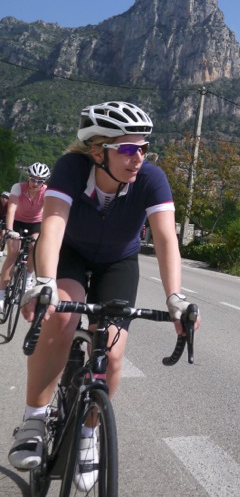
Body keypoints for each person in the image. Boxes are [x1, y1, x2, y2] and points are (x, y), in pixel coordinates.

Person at [8, 101, 199, 490]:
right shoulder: (72, 170)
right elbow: (54, 225)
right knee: (61, 317)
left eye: (144, 148)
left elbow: (165, 240)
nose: (139, 158)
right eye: (128, 149)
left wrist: (175, 296)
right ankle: (34, 416)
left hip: (118, 262)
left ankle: (89, 433)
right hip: (71, 255)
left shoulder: (151, 179)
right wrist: (44, 281)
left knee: (111, 353)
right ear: (99, 152)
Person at [0, 163, 50, 311]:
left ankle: (29, 276)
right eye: (33, 179)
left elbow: (48, 213)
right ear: (28, 178)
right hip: (17, 222)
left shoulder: (47, 192)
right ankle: (1, 294)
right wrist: (9, 230)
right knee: (13, 254)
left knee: (34, 247)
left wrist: (45, 233)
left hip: (35, 223)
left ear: (44, 182)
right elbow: (11, 209)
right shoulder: (18, 187)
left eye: (40, 181)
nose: (35, 183)